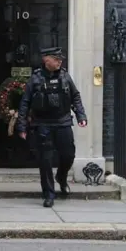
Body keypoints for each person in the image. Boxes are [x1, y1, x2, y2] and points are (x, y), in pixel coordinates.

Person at [16, 47, 87, 208]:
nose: (60, 61)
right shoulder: (35, 79)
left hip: (63, 122)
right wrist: (22, 126)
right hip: (42, 124)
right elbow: (25, 102)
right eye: (57, 59)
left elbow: (75, 96)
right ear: (46, 60)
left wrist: (81, 116)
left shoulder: (65, 76)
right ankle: (48, 194)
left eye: (60, 59)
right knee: (45, 161)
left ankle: (61, 177)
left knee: (68, 155)